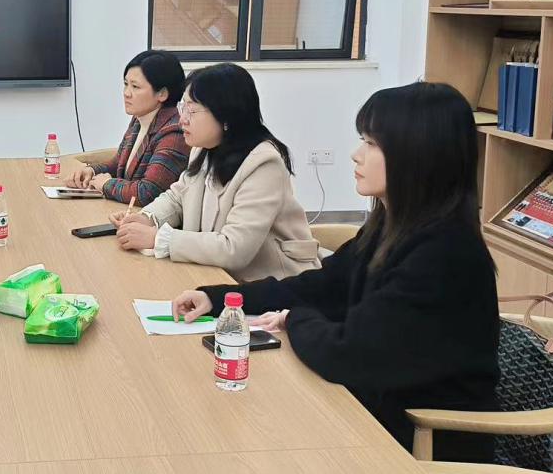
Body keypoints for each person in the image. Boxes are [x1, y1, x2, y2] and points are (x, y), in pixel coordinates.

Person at [170, 82, 500, 464]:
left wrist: (295, 320)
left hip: (418, 444)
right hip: (371, 414)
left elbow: (349, 353)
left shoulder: (444, 253)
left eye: (372, 144)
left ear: (418, 155)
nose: (356, 155)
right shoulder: (393, 225)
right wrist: (222, 298)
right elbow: (324, 284)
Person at [111, 62, 319, 281]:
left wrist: (158, 238)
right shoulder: (203, 148)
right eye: (183, 108)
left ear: (226, 116)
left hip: (274, 283)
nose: (182, 119)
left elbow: (234, 248)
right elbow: (177, 197)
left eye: (192, 111)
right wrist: (146, 218)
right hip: (213, 273)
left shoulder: (264, 164)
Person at [68, 50, 187, 206]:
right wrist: (92, 171)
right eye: (126, 84)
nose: (126, 93)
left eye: (135, 87)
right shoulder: (140, 118)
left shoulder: (174, 133)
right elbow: (119, 164)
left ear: (162, 94)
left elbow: (148, 192)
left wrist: (106, 184)